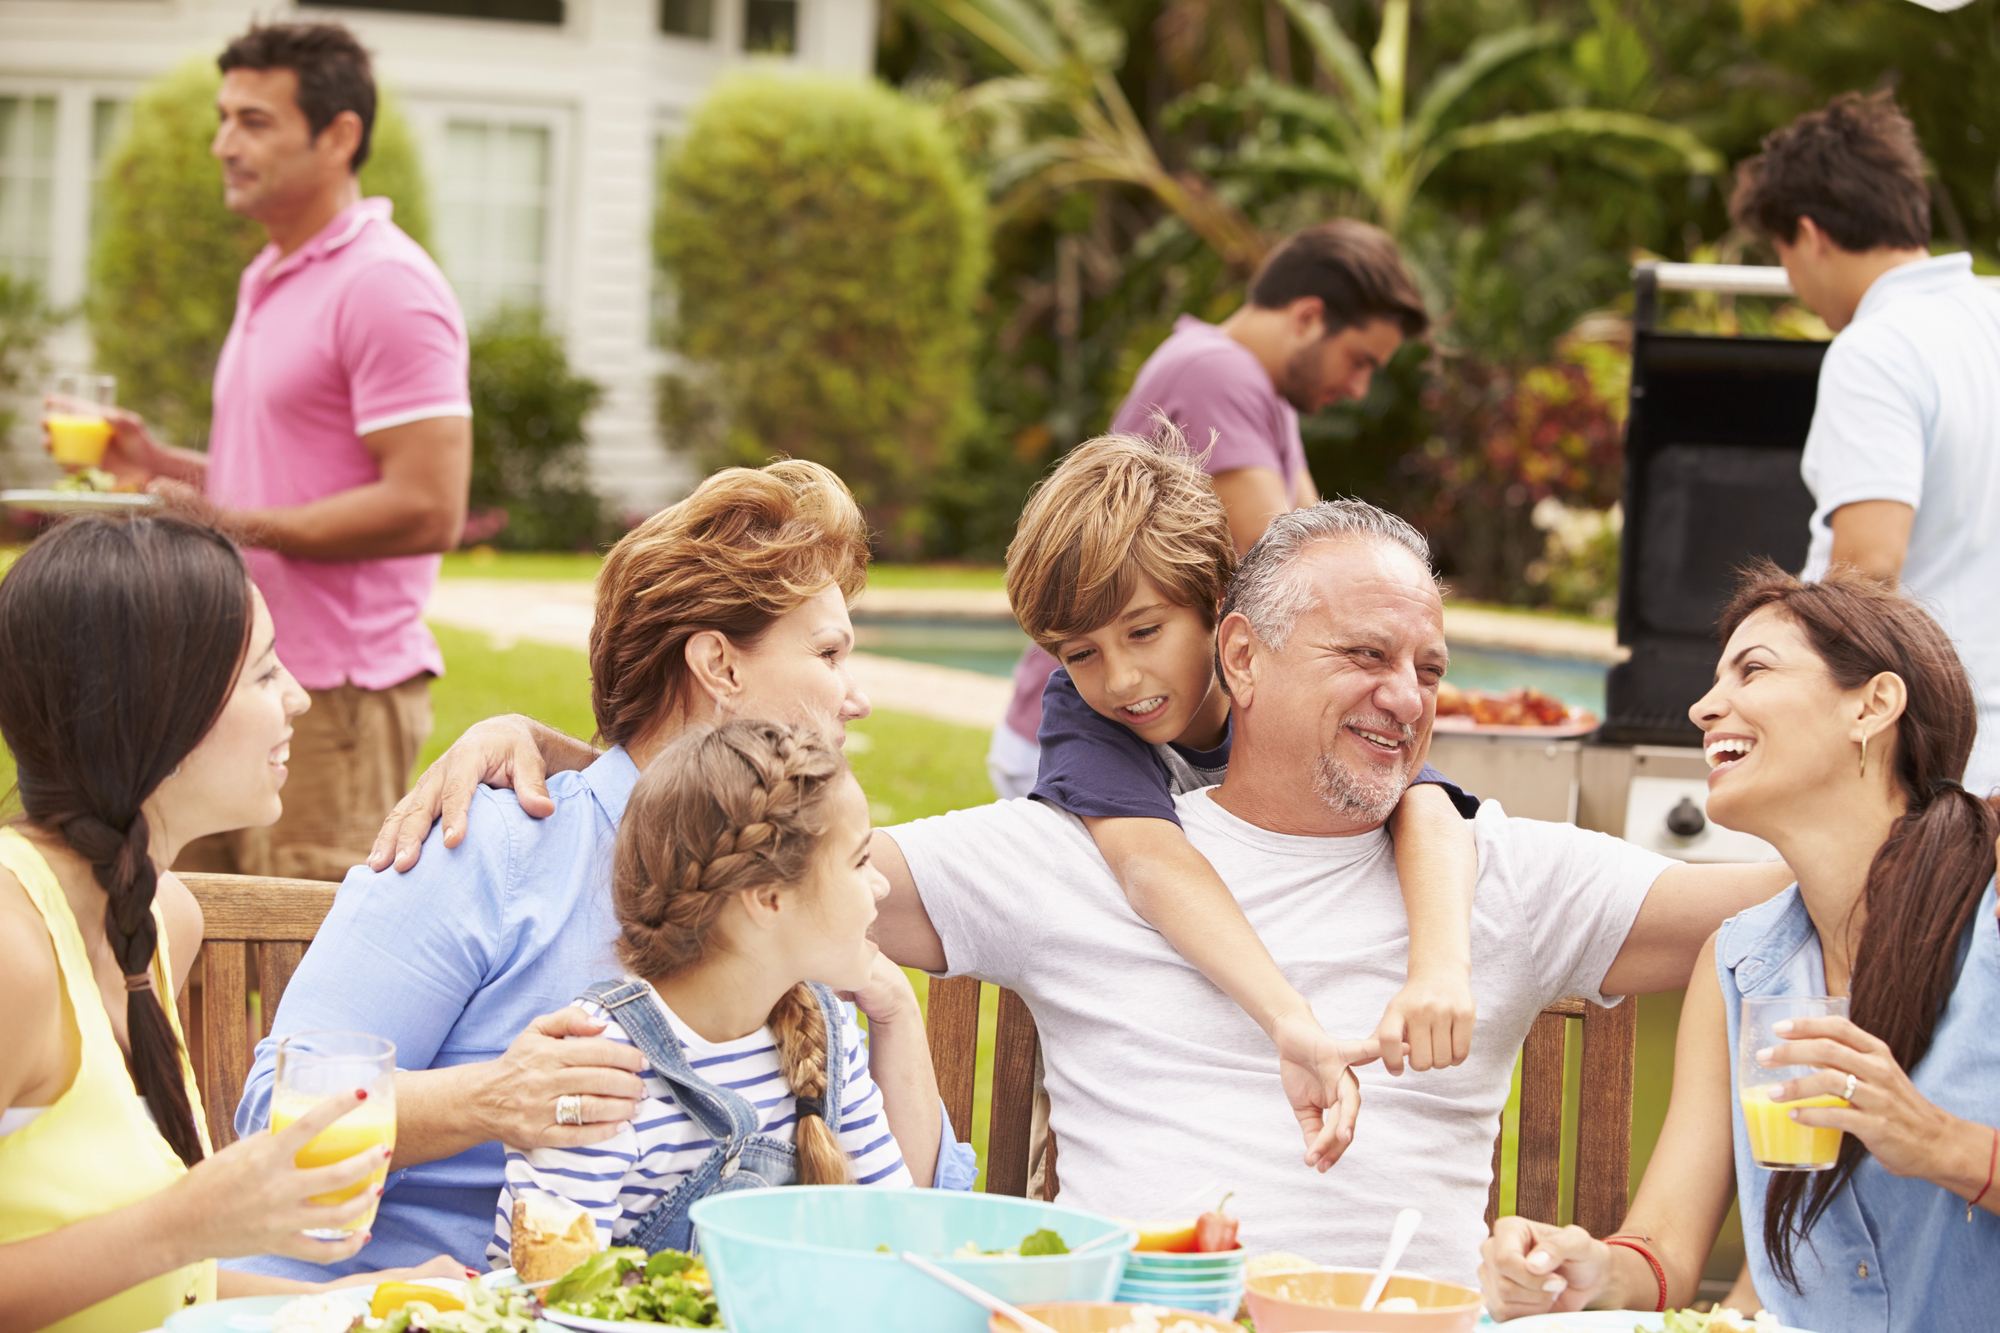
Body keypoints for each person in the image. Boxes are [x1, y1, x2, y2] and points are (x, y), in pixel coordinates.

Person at [402, 499, 1794, 1281]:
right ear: (1240, 661)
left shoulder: (1501, 868)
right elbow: (755, 859)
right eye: (1366, 658)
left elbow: (1782, 896)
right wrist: (569, 756)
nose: (1409, 699)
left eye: (1428, 670)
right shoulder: (1061, 845)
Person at [236, 461, 976, 1279]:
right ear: (720, 667)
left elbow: (906, 1223)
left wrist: (895, 1016)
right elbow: (277, 1113)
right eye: (829, 652)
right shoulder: (492, 845)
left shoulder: (800, 887)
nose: (855, 695)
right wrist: (494, 1098)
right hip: (402, 1301)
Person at [1478, 565, 2000, 1330]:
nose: (1702, 706)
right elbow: (1664, 1251)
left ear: (1873, 704)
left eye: (1753, 668)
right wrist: (1583, 1269)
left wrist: (1943, 1145)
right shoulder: (1739, 960)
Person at [0, 516, 461, 1333]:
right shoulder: (14, 942)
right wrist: (191, 1218)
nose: (300, 696)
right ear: (158, 711)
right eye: (264, 672)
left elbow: (154, 1284)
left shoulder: (160, 917)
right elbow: (157, 1245)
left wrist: (367, 1293)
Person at [51, 22, 474, 880]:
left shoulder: (384, 284)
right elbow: (279, 487)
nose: (223, 144)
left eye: (254, 121)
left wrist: (227, 517)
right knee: (194, 958)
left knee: (305, 974)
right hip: (223, 681)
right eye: (224, 118)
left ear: (339, 135)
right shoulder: (272, 275)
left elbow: (430, 505)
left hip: (335, 706)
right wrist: (159, 467)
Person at [1006, 434, 1477, 1161]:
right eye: (1081, 651)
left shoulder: (1288, 697)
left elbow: (1428, 803)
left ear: (1219, 614)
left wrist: (1440, 969)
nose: (1123, 678)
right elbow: (1150, 862)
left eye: (1145, 631)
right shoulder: (1084, 715)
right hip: (1151, 1054)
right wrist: (1288, 1019)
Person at [986, 219, 1428, 799]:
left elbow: (1331, 555)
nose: (1358, 387)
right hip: (1104, 735)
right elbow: (1301, 587)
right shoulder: (1218, 374)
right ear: (1308, 318)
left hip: (1158, 723)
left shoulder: (1262, 391)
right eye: (1360, 360)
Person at [491, 721, 944, 1264]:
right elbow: (547, 1290)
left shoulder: (831, 1037)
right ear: (769, 898)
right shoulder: (598, 1064)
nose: (880, 885)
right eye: (859, 861)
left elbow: (895, 1239)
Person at [1730, 90, 2000, 796]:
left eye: (1784, 255)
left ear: (1811, 235)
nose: (1794, 283)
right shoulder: (1993, 316)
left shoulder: (1876, 348)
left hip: (1929, 752)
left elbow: (1871, 562)